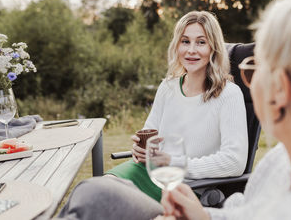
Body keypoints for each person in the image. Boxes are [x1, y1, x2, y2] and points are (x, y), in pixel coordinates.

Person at [56, 0, 291, 220]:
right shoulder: (281, 161)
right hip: (171, 188)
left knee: (94, 197)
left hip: (177, 181)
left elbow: (237, 169)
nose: (247, 77)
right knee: (94, 195)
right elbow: (249, 212)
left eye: (254, 68)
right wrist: (204, 214)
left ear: (282, 89)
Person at [90, 11, 247, 200]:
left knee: (109, 200)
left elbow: (234, 161)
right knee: (94, 191)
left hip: (183, 185)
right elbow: (150, 132)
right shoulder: (168, 86)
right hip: (147, 171)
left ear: (213, 47)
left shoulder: (229, 94)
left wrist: (173, 162)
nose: (191, 50)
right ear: (177, 45)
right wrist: (141, 149)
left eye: (201, 42)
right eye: (185, 41)